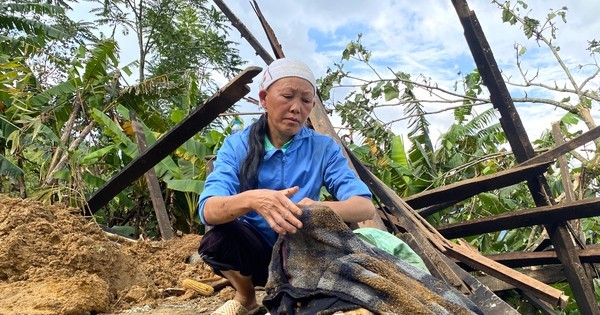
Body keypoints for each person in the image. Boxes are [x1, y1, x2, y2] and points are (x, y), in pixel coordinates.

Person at [197, 58, 376, 315]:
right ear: (264, 99)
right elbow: (209, 209)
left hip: (303, 252)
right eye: (288, 96)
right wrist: (253, 199)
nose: (296, 108)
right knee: (217, 239)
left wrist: (318, 207)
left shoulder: (323, 148)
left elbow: (364, 206)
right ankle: (246, 296)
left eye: (305, 101)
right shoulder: (237, 145)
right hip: (254, 252)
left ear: (312, 106)